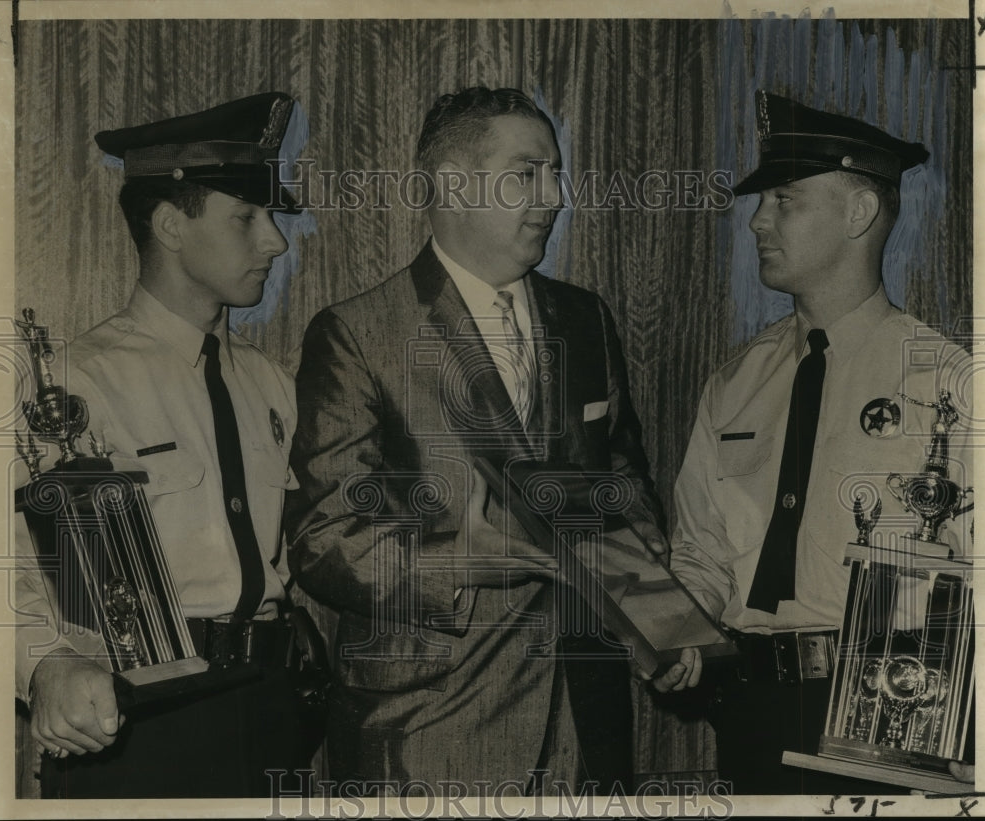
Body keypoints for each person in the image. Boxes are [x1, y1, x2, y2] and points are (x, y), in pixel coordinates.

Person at [284, 86, 686, 795]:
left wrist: (656, 617)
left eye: (556, 172)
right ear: (454, 186)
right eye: (528, 172)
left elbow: (622, 486)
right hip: (428, 731)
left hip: (589, 729)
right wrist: (455, 561)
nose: (555, 195)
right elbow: (325, 539)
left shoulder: (585, 318)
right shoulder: (356, 333)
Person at [669, 90, 974, 794]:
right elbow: (700, 550)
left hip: (892, 714)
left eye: (784, 199)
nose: (757, 221)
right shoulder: (735, 382)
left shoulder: (949, 383)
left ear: (858, 212)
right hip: (749, 715)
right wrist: (677, 624)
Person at [14, 92, 318, 798]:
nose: (274, 241)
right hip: (138, 720)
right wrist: (44, 664)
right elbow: (11, 563)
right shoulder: (73, 384)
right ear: (169, 225)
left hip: (269, 711)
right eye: (247, 217)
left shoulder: (274, 385)